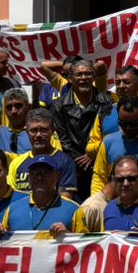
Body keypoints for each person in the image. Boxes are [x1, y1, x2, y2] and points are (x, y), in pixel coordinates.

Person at [48, 58, 112, 197]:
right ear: (70, 79)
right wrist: (81, 160)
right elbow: (63, 138)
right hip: (73, 168)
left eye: (88, 74)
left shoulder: (107, 101)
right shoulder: (58, 105)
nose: (84, 78)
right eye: (79, 74)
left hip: (101, 164)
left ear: (94, 77)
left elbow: (109, 133)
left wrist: (93, 155)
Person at [7, 107, 79, 197]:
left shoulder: (65, 161)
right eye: (33, 130)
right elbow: (12, 198)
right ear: (27, 132)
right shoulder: (16, 163)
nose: (38, 135)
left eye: (43, 130)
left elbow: (65, 199)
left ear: (52, 131)